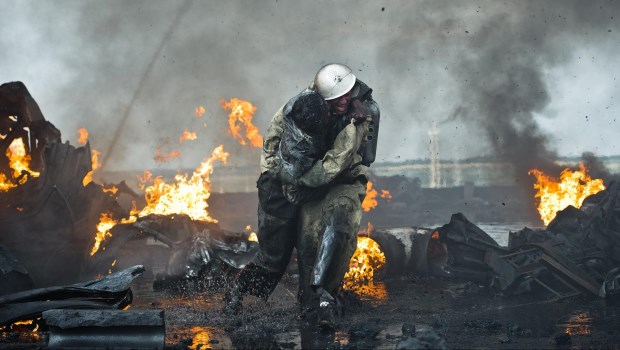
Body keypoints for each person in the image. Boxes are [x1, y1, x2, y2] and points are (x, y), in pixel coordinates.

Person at [224, 64, 379, 328]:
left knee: (316, 242)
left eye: (348, 93)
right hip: (282, 182)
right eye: (337, 97)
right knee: (274, 256)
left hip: (330, 180)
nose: (344, 100)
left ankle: (317, 306)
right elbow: (272, 147)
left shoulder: (361, 114)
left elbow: (337, 164)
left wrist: (354, 123)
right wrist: (282, 177)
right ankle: (237, 293)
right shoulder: (296, 111)